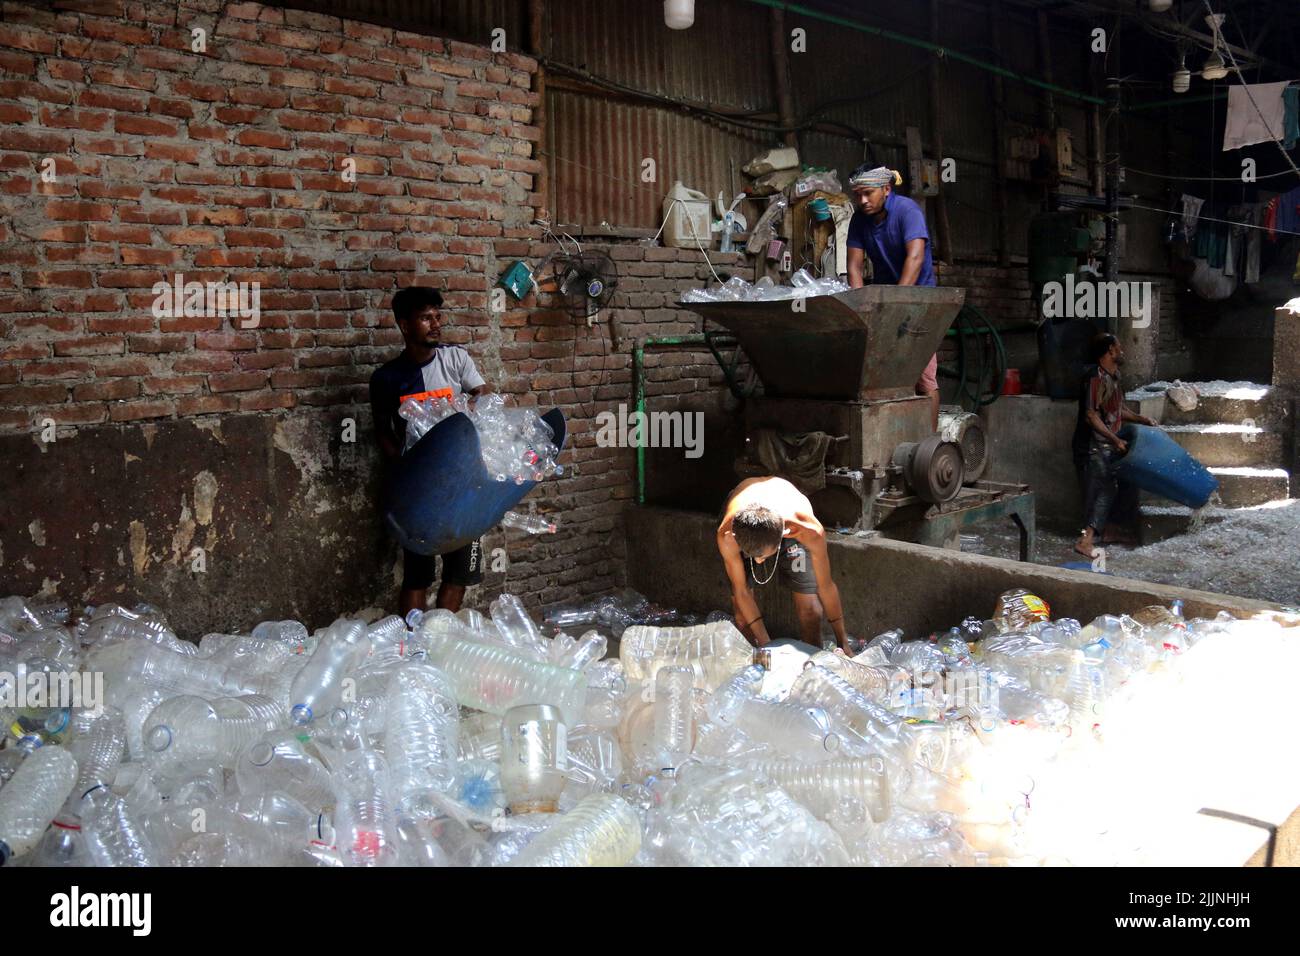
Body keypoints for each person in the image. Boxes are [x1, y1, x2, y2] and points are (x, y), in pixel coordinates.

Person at [369, 286, 493, 617]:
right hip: (421, 487)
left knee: (459, 571)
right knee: (417, 575)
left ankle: (441, 637)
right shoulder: (387, 378)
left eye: (438, 317)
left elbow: (484, 395)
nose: (435, 324)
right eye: (426, 318)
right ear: (405, 326)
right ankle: (412, 645)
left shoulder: (456, 358)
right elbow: (382, 433)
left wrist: (474, 402)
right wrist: (406, 470)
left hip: (464, 480)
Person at [845, 164, 940, 431]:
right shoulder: (859, 220)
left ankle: (929, 443)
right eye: (858, 195)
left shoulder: (907, 211)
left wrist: (899, 302)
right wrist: (860, 306)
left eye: (868, 194)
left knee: (924, 379)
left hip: (919, 302)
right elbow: (854, 266)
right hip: (884, 304)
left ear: (886, 189)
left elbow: (916, 257)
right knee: (889, 378)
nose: (862, 201)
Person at [716, 476, 850, 652]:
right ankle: (754, 664)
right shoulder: (727, 535)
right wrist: (766, 647)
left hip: (788, 524)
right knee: (742, 618)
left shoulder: (808, 531)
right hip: (747, 521)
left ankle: (810, 665)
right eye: (753, 555)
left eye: (763, 556)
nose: (758, 561)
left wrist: (843, 643)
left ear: (783, 537)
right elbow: (741, 591)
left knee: (811, 612)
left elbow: (826, 587)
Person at [1073, 333, 1156, 558]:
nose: (1123, 351)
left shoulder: (1114, 376)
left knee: (1112, 487)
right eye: (1119, 347)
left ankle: (1107, 531)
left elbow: (1118, 410)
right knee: (1099, 490)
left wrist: (1142, 419)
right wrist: (1115, 439)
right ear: (1110, 350)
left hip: (1107, 442)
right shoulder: (1095, 378)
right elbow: (1091, 416)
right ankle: (1085, 540)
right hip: (1092, 444)